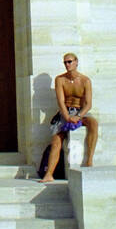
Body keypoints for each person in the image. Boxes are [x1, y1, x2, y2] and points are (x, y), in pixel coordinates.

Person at [39, 52, 98, 180]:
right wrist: (66, 116)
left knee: (93, 123)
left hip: (81, 111)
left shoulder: (85, 80)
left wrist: (78, 116)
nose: (67, 64)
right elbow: (60, 101)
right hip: (66, 111)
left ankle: (89, 160)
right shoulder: (60, 80)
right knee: (56, 140)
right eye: (65, 62)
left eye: (69, 61)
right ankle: (49, 174)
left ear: (76, 62)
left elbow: (88, 104)